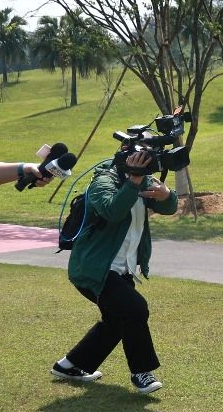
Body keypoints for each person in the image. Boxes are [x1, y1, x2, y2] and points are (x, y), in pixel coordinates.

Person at [50, 150, 178, 394]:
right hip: (94, 268)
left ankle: (70, 365)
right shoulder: (103, 181)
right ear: (126, 159)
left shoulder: (144, 180)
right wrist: (134, 182)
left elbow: (169, 208)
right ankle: (142, 372)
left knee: (116, 321)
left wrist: (167, 195)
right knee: (134, 309)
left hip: (122, 269)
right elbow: (112, 211)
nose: (145, 164)